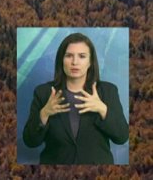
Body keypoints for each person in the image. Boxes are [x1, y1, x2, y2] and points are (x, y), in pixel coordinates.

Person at [22, 32, 129, 164]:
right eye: (69, 56)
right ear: (61, 60)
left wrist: (103, 109)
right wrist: (44, 114)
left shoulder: (108, 91)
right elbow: (30, 141)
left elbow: (122, 137)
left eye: (82, 56)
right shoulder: (44, 93)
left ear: (90, 62)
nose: (75, 62)